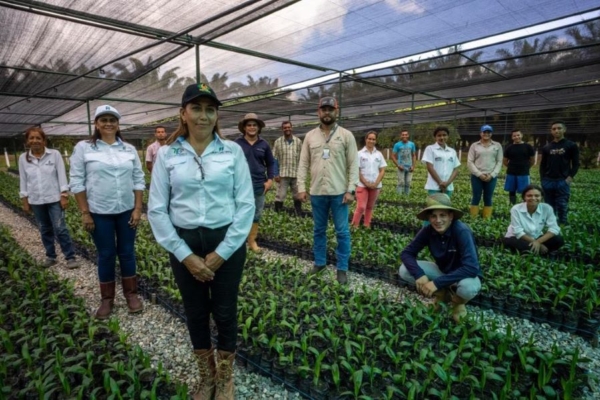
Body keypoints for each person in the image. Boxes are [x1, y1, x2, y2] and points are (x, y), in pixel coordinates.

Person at [148, 83, 254, 400]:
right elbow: (156, 209)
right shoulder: (168, 155)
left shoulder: (232, 151)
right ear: (183, 113)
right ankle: (206, 377)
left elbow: (245, 204)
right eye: (196, 108)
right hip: (185, 243)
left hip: (228, 242)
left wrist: (221, 253)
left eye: (210, 109)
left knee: (225, 312)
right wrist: (185, 255)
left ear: (216, 115)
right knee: (195, 312)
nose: (204, 115)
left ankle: (224, 380)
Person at [69, 105, 145, 319]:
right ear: (96, 124)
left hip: (126, 210)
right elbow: (76, 180)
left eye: (113, 119)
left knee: (128, 253)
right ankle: (107, 300)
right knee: (106, 254)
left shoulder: (128, 149)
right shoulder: (84, 148)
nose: (109, 123)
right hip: (99, 211)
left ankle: (131, 295)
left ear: (118, 123)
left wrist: (138, 208)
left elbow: (138, 179)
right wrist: (85, 212)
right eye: (104, 119)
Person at [297, 97, 359, 284]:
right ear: (318, 112)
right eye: (323, 109)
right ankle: (320, 262)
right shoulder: (310, 136)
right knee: (318, 230)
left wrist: (351, 190)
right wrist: (301, 187)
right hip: (317, 192)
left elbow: (354, 164)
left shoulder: (346, 136)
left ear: (336, 111)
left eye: (330, 109)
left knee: (342, 232)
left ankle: (342, 268)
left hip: (339, 192)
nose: (327, 112)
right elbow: (303, 163)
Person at [399, 193, 482, 322]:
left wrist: (436, 283)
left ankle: (458, 303)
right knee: (404, 270)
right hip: (443, 270)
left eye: (442, 215)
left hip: (463, 275)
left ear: (450, 216)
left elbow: (471, 267)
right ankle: (442, 294)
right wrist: (419, 274)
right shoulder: (428, 231)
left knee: (468, 288)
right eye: (433, 216)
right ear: (429, 218)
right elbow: (406, 253)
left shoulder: (461, 231)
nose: (438, 220)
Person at [18, 127, 80, 269]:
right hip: (36, 200)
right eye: (31, 138)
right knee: (44, 228)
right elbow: (23, 179)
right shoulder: (23, 158)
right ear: (27, 141)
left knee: (60, 228)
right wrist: (24, 199)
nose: (35, 141)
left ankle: (70, 257)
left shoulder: (54, 155)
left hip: (54, 199)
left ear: (44, 140)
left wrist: (64, 194)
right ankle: (51, 256)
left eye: (38, 138)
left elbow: (61, 175)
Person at [235, 113, 275, 252]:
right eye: (249, 125)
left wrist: (270, 180)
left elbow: (271, 163)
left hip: (259, 184)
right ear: (244, 128)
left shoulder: (263, 144)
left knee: (256, 213)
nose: (252, 127)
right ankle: (238, 242)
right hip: (240, 185)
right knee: (239, 212)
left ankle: (252, 241)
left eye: (254, 125)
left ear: (258, 128)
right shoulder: (237, 144)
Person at [503, 185, 564, 255]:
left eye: (537, 196)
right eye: (529, 196)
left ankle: (537, 251)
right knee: (528, 249)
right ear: (524, 197)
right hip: (516, 238)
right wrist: (537, 243)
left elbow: (554, 228)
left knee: (558, 240)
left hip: (536, 237)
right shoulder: (516, 209)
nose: (533, 198)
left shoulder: (547, 208)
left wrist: (538, 242)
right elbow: (518, 232)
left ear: (541, 197)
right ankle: (539, 251)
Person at [540, 121, 580, 225]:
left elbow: (576, 163)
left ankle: (563, 224)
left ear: (564, 130)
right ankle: (551, 224)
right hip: (548, 180)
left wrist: (570, 177)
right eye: (554, 129)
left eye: (559, 128)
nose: (556, 130)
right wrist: (542, 179)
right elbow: (542, 165)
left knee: (562, 204)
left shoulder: (571, 145)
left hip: (562, 181)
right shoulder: (547, 147)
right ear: (551, 131)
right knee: (549, 205)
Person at [351, 131, 387, 228]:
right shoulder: (359, 154)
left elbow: (382, 170)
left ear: (376, 141)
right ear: (365, 139)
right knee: (361, 207)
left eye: (373, 139)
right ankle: (355, 226)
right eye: (369, 138)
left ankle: (367, 225)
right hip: (362, 185)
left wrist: (376, 183)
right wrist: (366, 182)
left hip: (375, 186)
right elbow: (357, 170)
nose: (371, 141)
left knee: (370, 207)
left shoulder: (378, 154)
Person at [467, 124, 503, 218]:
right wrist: (479, 174)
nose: (486, 134)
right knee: (476, 196)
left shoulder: (497, 145)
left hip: (491, 176)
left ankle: (486, 220)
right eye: (484, 132)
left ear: (491, 134)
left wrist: (492, 175)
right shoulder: (474, 145)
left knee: (488, 197)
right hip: (477, 176)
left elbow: (499, 161)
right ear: (480, 133)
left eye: (488, 132)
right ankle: (473, 218)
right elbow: (470, 161)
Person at [272, 121, 303, 214]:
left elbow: (302, 158)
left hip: (295, 173)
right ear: (282, 129)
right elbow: (275, 159)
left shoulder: (298, 142)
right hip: (283, 174)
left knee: (297, 195)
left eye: (289, 127)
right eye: (285, 128)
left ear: (292, 128)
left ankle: (298, 212)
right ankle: (278, 213)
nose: (287, 129)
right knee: (280, 195)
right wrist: (276, 173)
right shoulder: (278, 142)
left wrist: (302, 173)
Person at [421, 127, 460, 197]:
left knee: (446, 207)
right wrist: (440, 182)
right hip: (434, 186)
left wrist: (447, 183)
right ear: (435, 137)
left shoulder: (452, 151)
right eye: (439, 135)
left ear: (447, 136)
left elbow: (456, 169)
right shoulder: (430, 149)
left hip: (448, 187)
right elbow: (430, 167)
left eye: (444, 135)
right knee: (434, 207)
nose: (442, 137)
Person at [503, 129, 535, 205]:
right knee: (512, 190)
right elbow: (505, 161)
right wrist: (511, 167)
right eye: (514, 136)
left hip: (524, 173)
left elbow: (532, 160)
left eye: (518, 135)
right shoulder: (509, 148)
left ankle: (524, 205)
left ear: (521, 135)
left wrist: (526, 167)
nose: (516, 137)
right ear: (512, 137)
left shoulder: (528, 147)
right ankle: (512, 204)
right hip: (511, 173)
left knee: (525, 191)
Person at [391, 129, 417, 195]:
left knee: (408, 182)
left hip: (409, 167)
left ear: (408, 135)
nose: (404, 136)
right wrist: (398, 165)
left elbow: (414, 155)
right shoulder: (397, 145)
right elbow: (392, 156)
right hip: (401, 167)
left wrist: (413, 166)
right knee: (401, 182)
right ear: (401, 136)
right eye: (403, 135)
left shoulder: (412, 144)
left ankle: (406, 197)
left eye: (406, 135)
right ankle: (399, 197)